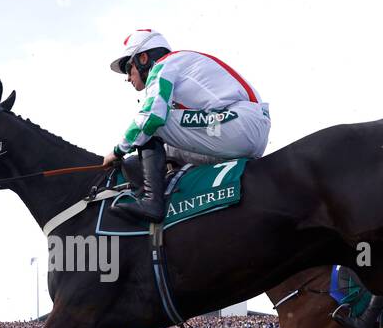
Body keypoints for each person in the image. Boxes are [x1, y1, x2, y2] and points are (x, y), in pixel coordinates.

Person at [102, 29, 271, 222]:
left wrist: (117, 151)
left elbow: (152, 117)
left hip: (239, 123)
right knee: (164, 149)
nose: (127, 77)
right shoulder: (179, 65)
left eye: (127, 68)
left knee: (152, 125)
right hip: (244, 130)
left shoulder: (164, 65)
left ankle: (153, 203)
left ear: (143, 59)